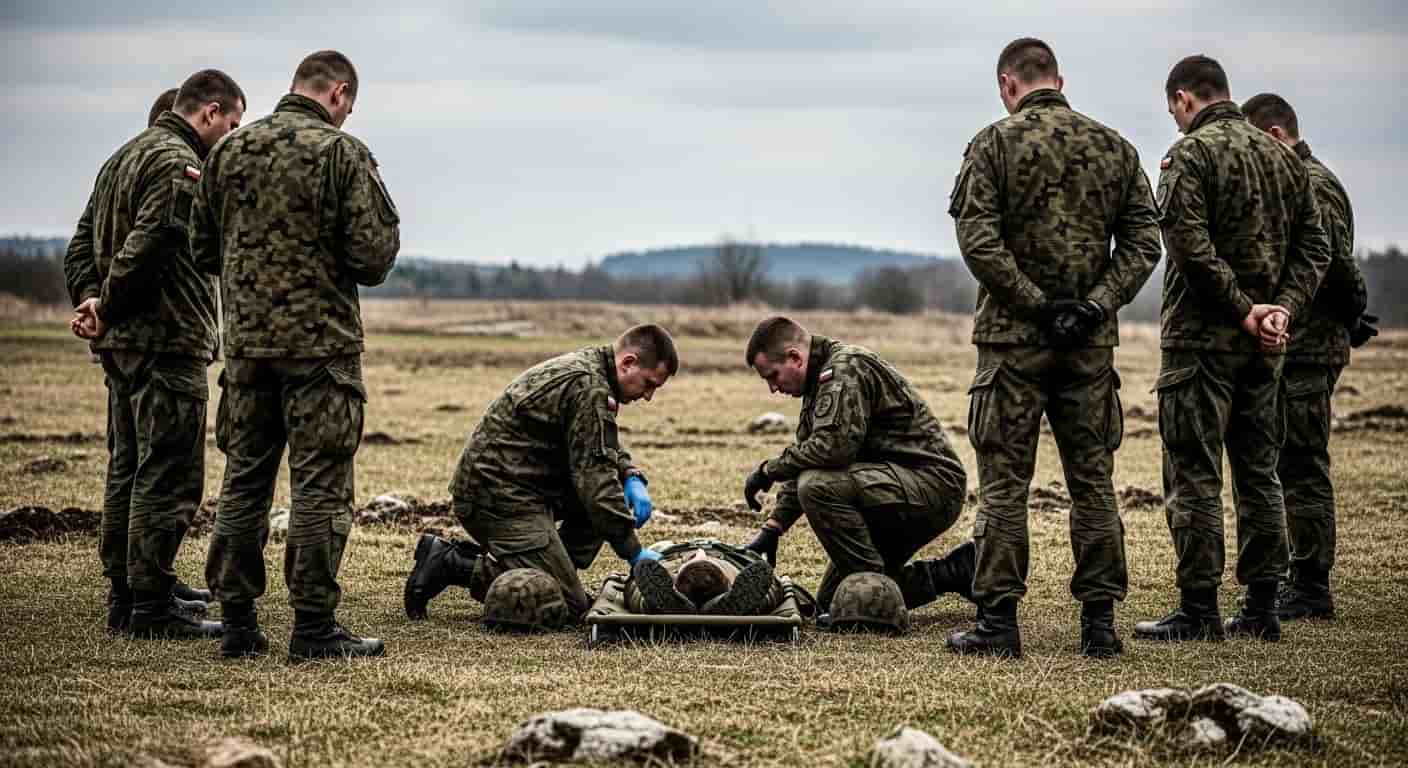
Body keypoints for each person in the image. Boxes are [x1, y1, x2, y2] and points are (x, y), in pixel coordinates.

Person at [944, 38, 1163, 659]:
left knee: (1005, 484)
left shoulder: (994, 144)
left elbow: (979, 240)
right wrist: (1096, 303)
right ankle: (1099, 625)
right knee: (1093, 482)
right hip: (1090, 346)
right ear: (1058, 80)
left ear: (1006, 84)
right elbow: (1146, 244)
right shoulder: (1116, 148)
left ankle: (999, 624)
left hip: (1013, 343)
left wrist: (1036, 304)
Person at [192, 50, 401, 660]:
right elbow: (373, 256)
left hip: (249, 351)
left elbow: (202, 249)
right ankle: (312, 626)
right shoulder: (342, 153)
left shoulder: (229, 151)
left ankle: (236, 621)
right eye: (349, 105)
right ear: (338, 94)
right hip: (321, 353)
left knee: (244, 480)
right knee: (319, 487)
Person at [1134, 55, 1331, 644]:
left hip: (1202, 341)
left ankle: (1198, 610)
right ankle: (1263, 605)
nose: (1174, 119)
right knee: (1260, 472)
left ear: (1185, 99)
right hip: (1265, 346)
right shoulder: (1283, 158)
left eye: (1173, 108)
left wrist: (1242, 309)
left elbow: (1187, 244)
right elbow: (1315, 247)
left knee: (1193, 472)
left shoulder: (1190, 156)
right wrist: (1282, 310)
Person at [62, 69, 246, 639]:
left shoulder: (121, 158)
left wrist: (91, 300)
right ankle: (150, 606)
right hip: (165, 340)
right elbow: (151, 245)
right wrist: (109, 305)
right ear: (209, 112)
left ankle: (128, 594)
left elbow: (79, 244)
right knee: (166, 473)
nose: (233, 136)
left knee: (127, 469)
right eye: (233, 123)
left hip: (122, 345)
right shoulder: (177, 164)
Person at [404, 325, 677, 626]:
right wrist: (633, 553)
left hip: (524, 487)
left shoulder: (593, 373)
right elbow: (596, 485)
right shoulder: (589, 386)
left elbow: (595, 441)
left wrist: (629, 475)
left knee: (603, 504)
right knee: (563, 603)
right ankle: (450, 563)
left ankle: (552, 566)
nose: (649, 396)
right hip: (497, 497)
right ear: (628, 363)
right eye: (649, 384)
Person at [739, 317, 975, 625]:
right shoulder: (818, 385)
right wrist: (772, 529)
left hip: (930, 485)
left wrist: (768, 471)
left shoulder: (844, 370)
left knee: (817, 486)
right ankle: (954, 572)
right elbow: (809, 457)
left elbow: (832, 449)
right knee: (834, 602)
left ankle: (874, 597)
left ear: (795, 357)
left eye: (772, 376)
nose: (773, 388)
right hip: (890, 487)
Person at [1242, 92, 1374, 620]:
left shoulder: (1312, 184)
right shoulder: (1304, 180)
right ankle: (1297, 576)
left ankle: (1312, 585)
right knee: (1286, 459)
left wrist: (1351, 314)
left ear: (1276, 137)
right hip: (1301, 342)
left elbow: (1336, 266)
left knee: (1301, 463)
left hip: (1310, 347)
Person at [629, 539, 777, 615]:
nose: (701, 553)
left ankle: (650, 605)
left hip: (678, 564)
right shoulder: (738, 553)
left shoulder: (665, 550)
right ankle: (749, 605)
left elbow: (638, 575)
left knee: (637, 584)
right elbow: (769, 578)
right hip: (727, 563)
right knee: (770, 586)